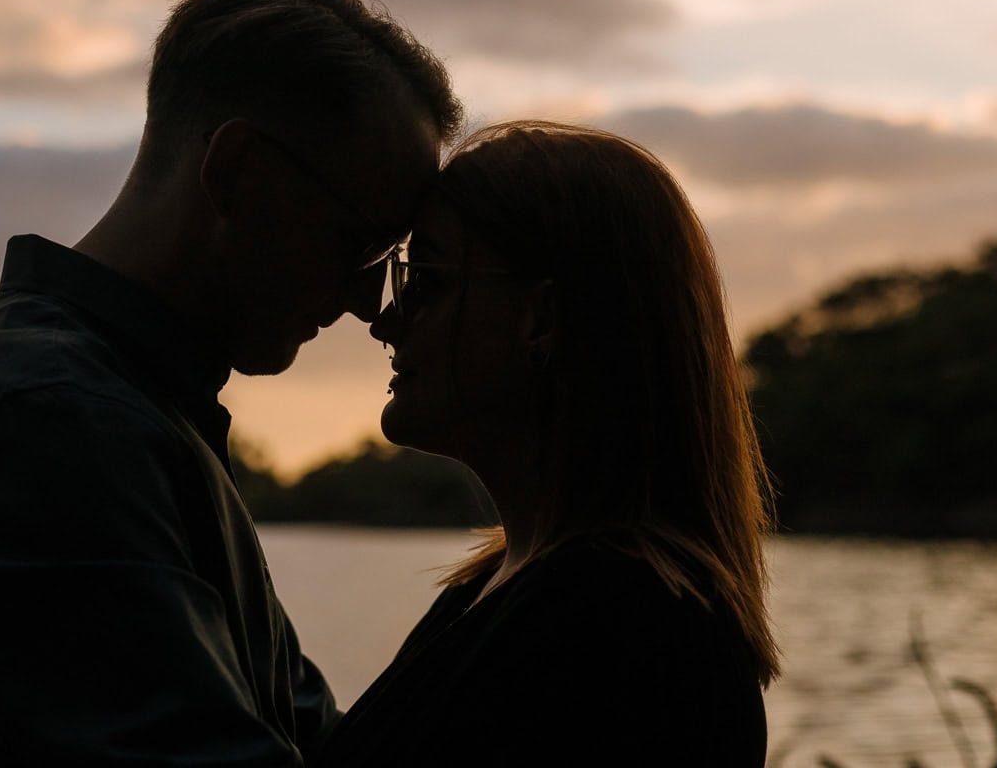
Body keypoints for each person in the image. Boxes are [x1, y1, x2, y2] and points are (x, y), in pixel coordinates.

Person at [0, 0, 463, 766]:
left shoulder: (128, 412)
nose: (372, 306)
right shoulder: (37, 418)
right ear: (236, 174)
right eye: (358, 244)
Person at [316, 121, 780, 767]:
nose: (386, 322)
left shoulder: (620, 630)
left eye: (426, 280)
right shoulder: (500, 594)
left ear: (542, 320)